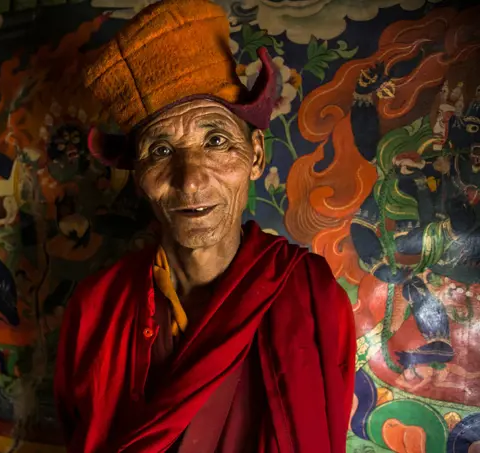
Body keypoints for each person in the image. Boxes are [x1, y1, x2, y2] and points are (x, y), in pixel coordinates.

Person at [54, 0, 356, 452]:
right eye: (160, 151)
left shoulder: (312, 299)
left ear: (254, 156)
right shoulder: (97, 309)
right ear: (138, 179)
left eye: (216, 141)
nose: (191, 179)